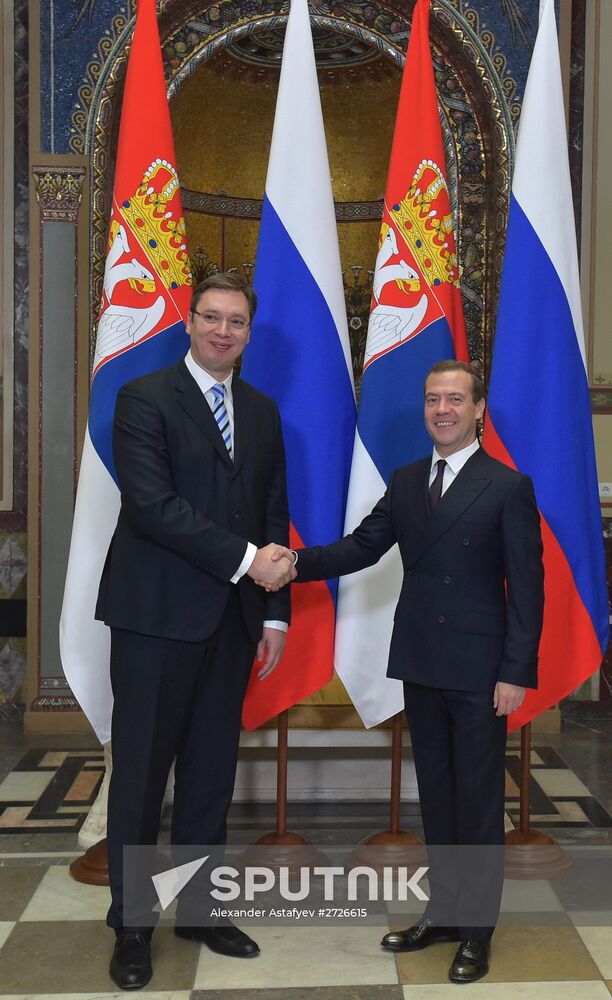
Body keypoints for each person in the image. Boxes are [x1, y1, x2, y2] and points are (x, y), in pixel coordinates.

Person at [265, 360, 544, 984]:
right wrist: (293, 564)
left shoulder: (507, 487)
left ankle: (477, 932)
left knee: (477, 803)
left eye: (455, 399)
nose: (442, 410)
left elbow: (528, 590)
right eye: (432, 400)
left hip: (480, 671)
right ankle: (443, 913)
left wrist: (516, 671)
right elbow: (361, 547)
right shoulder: (409, 479)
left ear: (478, 410)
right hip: (421, 660)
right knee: (438, 798)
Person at [95, 272, 295, 990]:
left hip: (233, 622)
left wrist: (274, 610)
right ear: (188, 321)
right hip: (155, 619)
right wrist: (248, 562)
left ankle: (201, 910)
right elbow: (153, 506)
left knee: (211, 775)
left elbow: (272, 507)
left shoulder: (263, 411)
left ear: (249, 332)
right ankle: (132, 924)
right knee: (142, 777)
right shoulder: (142, 398)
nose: (222, 331)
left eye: (236, 322)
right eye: (211, 317)